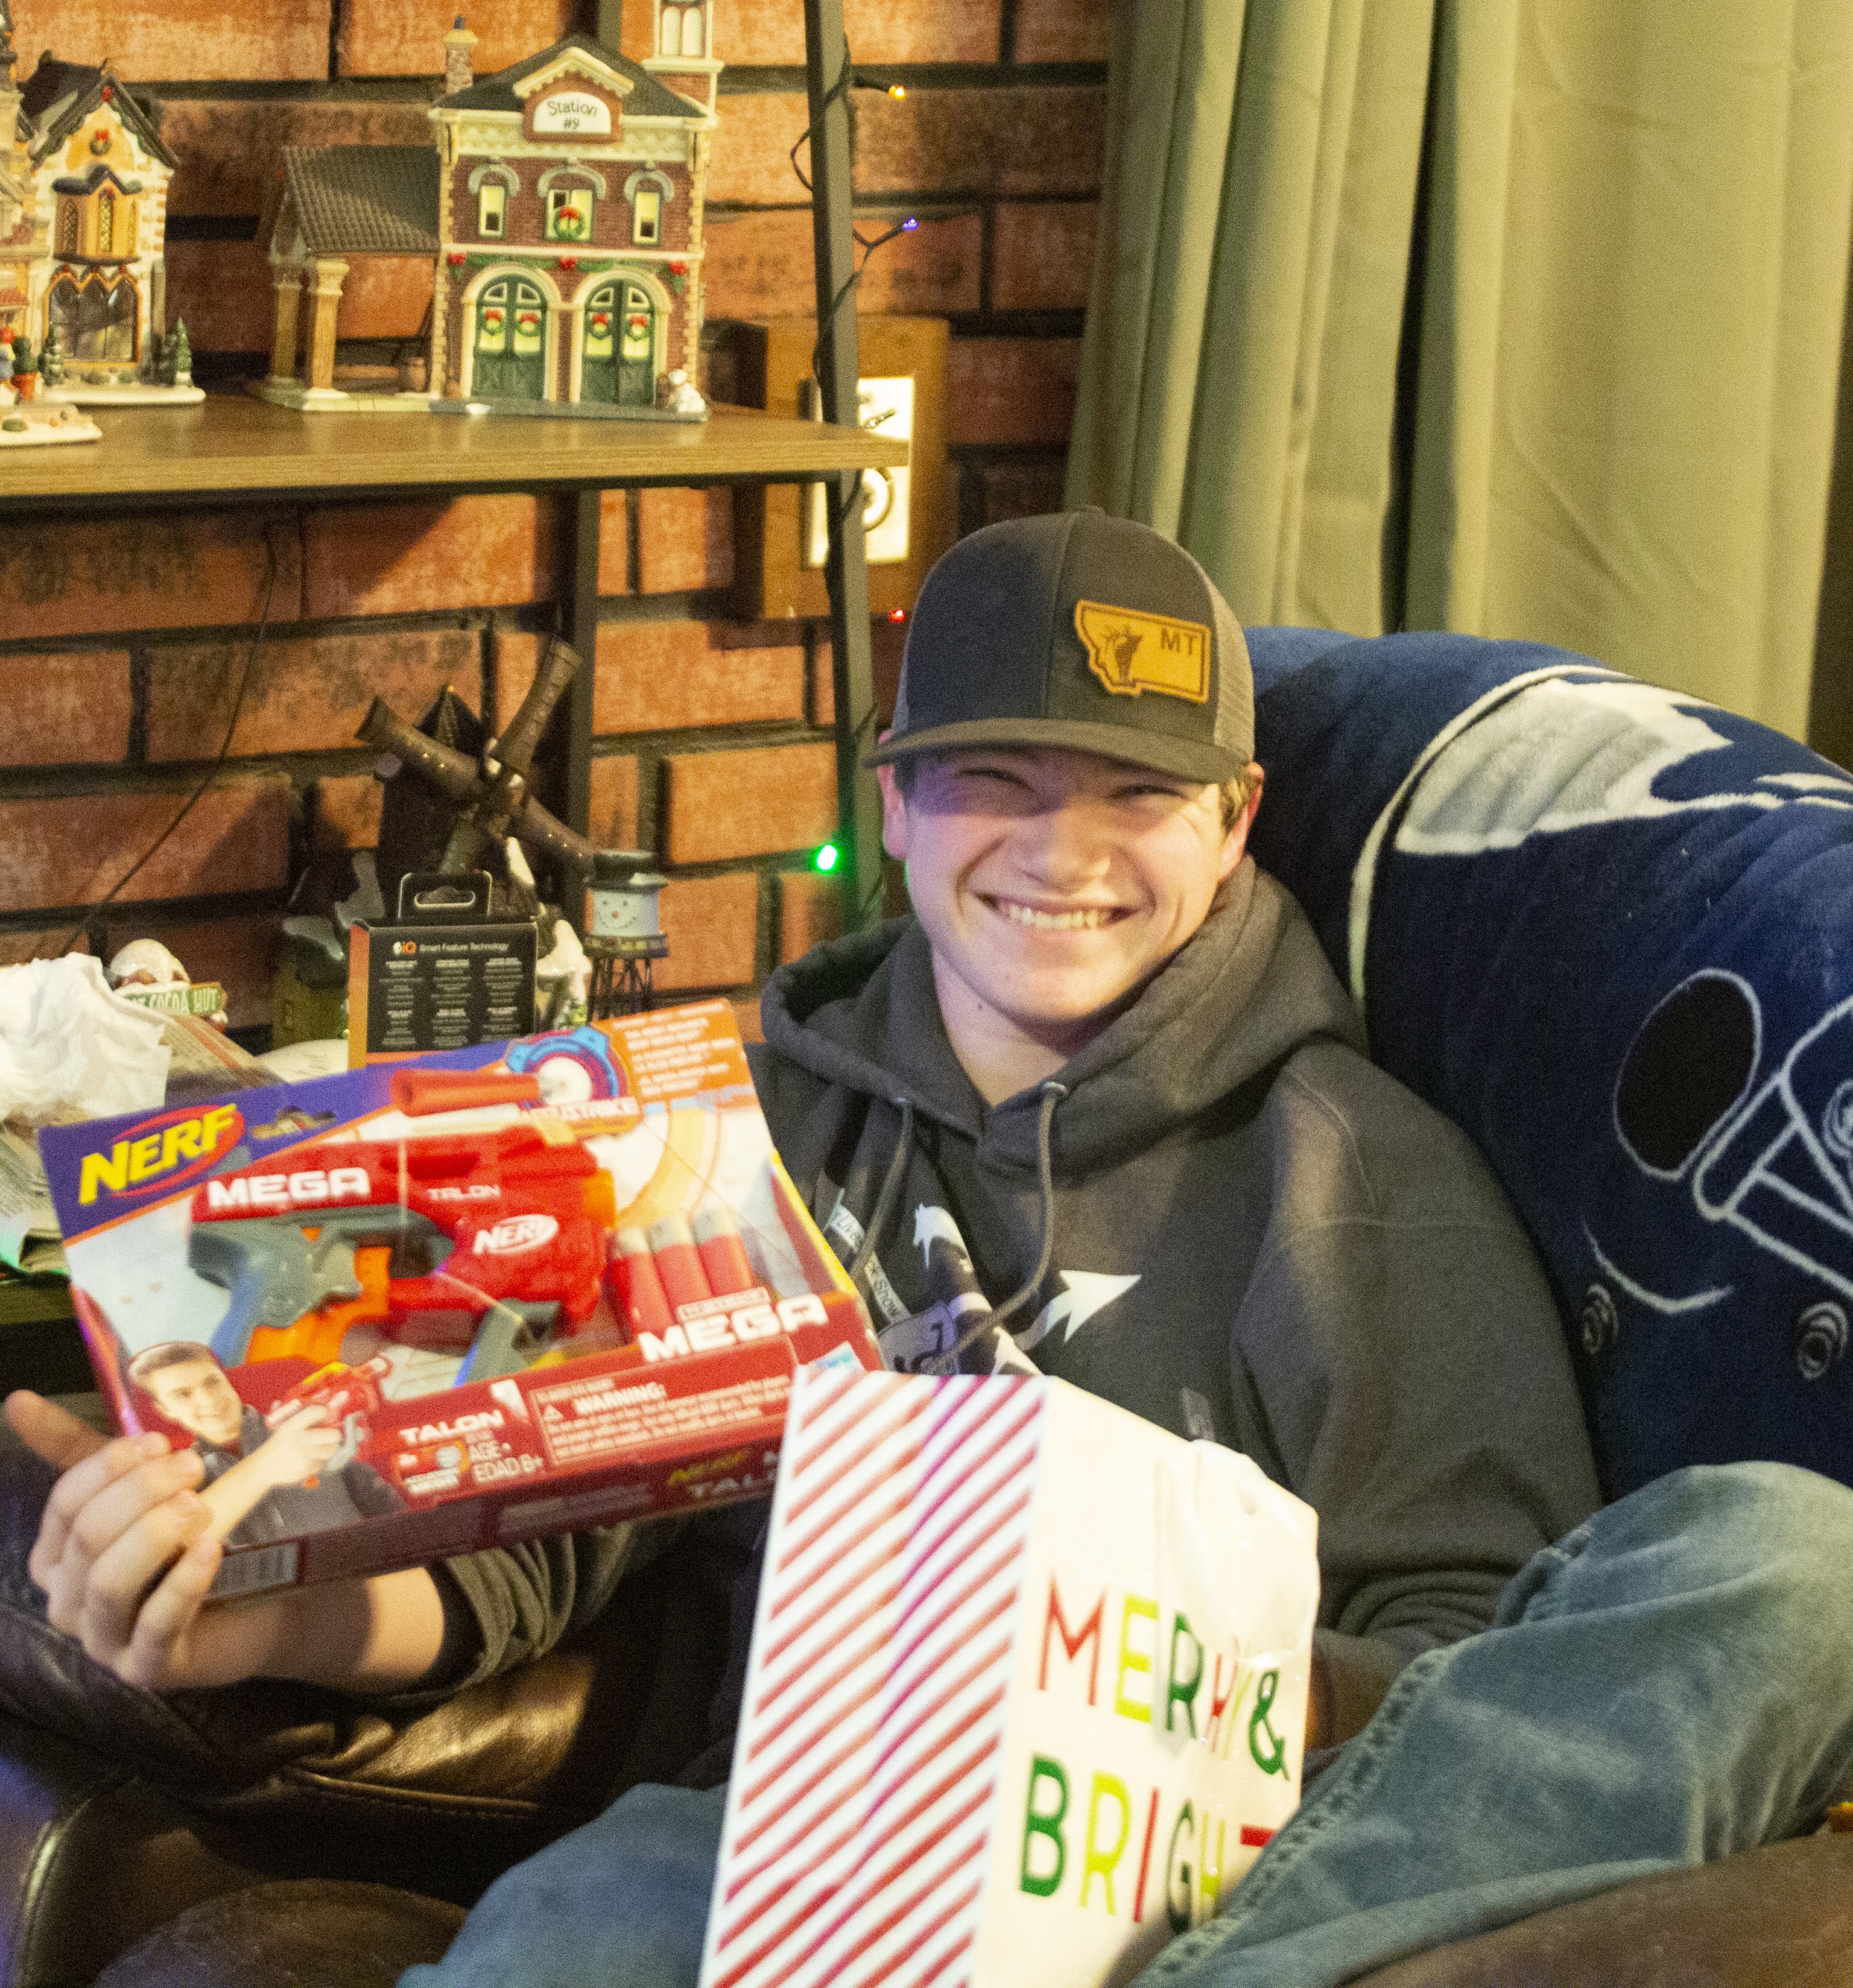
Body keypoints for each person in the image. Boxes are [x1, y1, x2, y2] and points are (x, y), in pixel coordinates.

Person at [10, 510, 1853, 1988]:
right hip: (769, 1838)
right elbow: (534, 1555)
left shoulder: (1359, 1179)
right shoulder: (713, 1137)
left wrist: (1101, 1650)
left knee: (1792, 1557)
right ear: (893, 803)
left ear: (1233, 825)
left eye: (1136, 790)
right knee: (573, 1926)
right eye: (996, 778)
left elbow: (1466, 1672)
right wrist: (259, 1612)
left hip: (1204, 1865)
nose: (1065, 849)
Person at [127, 1341, 403, 1545]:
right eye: (183, 1395)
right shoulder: (178, 1481)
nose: (208, 1400)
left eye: (212, 1383)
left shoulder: (307, 1423)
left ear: (228, 1382)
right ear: (166, 1411)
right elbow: (177, 1544)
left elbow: (379, 1501)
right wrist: (267, 1465)